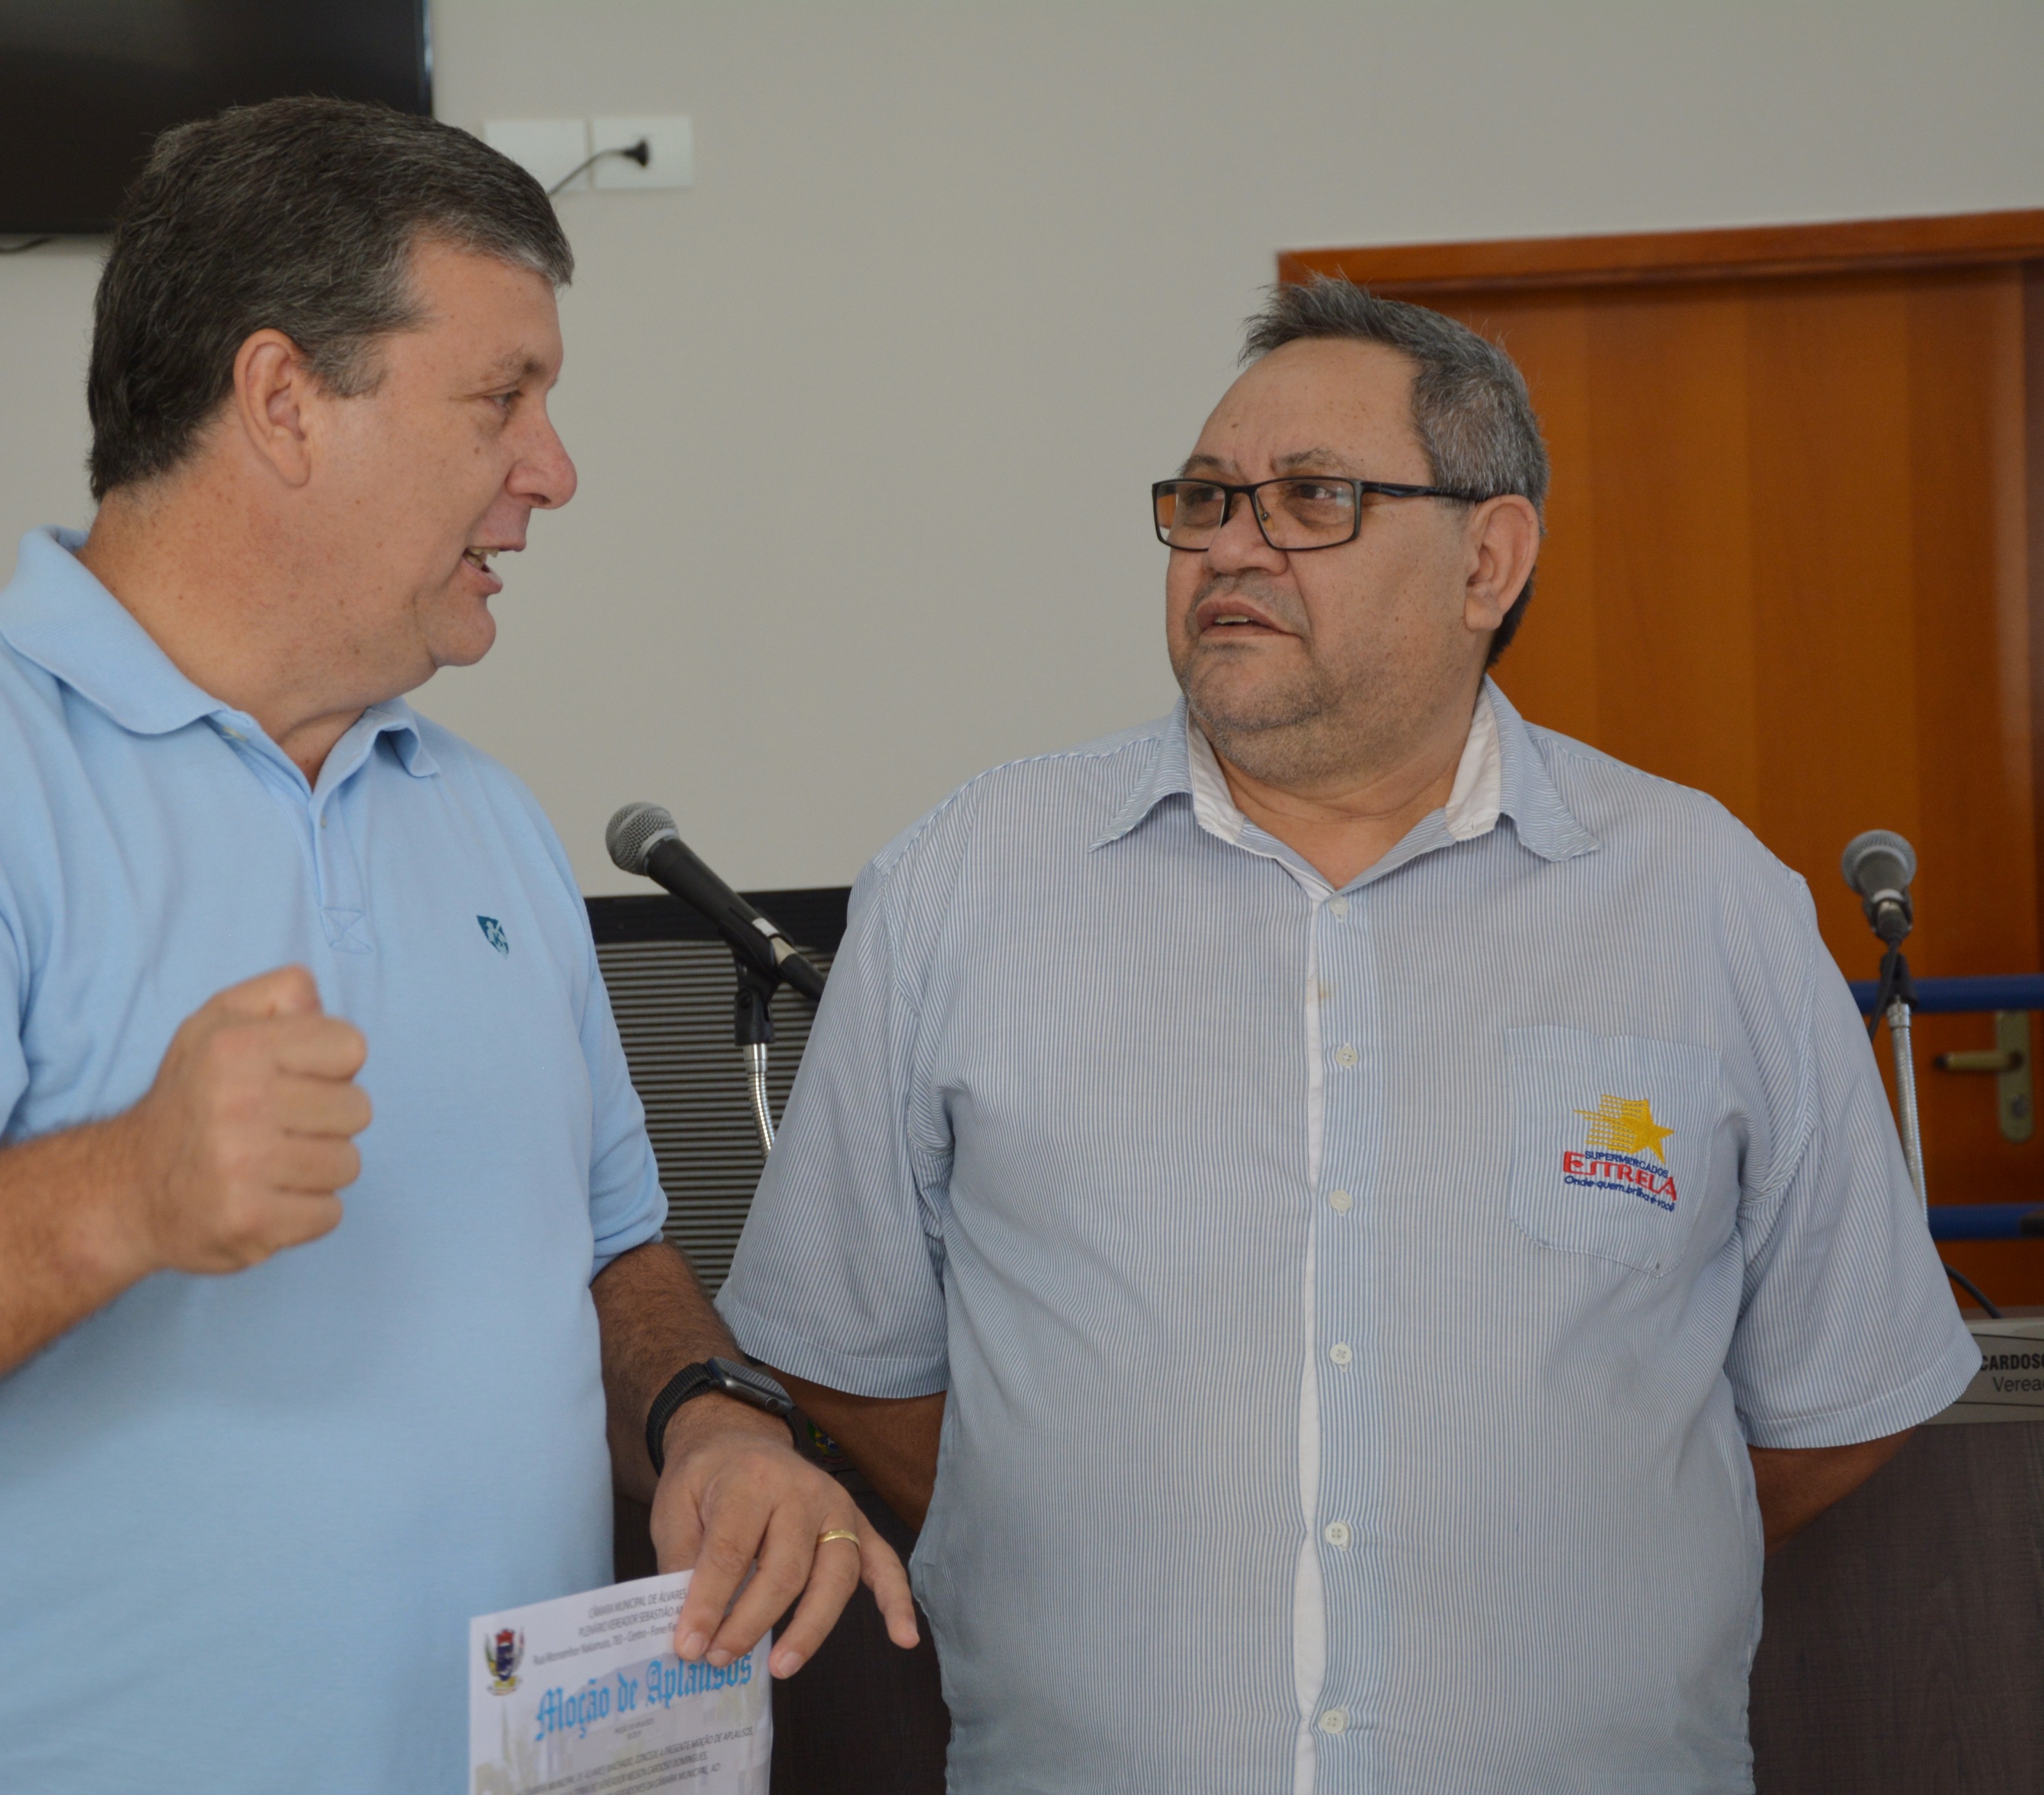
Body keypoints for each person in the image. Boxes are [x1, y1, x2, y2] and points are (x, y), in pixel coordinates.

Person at [0, 98, 912, 1794]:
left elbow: (611, 1257)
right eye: (501, 397)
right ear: (284, 400)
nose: (553, 468)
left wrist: (706, 1416)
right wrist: (122, 1191)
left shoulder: (486, 820)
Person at [718, 276, 1979, 1792]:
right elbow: (847, 1353)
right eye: (1204, 499)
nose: (1230, 546)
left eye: (1312, 498)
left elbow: (1841, 1393)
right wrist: (1073, 1533)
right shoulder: (962, 883)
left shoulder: (1708, 901)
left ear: (1488, 560)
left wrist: (1582, 1552)